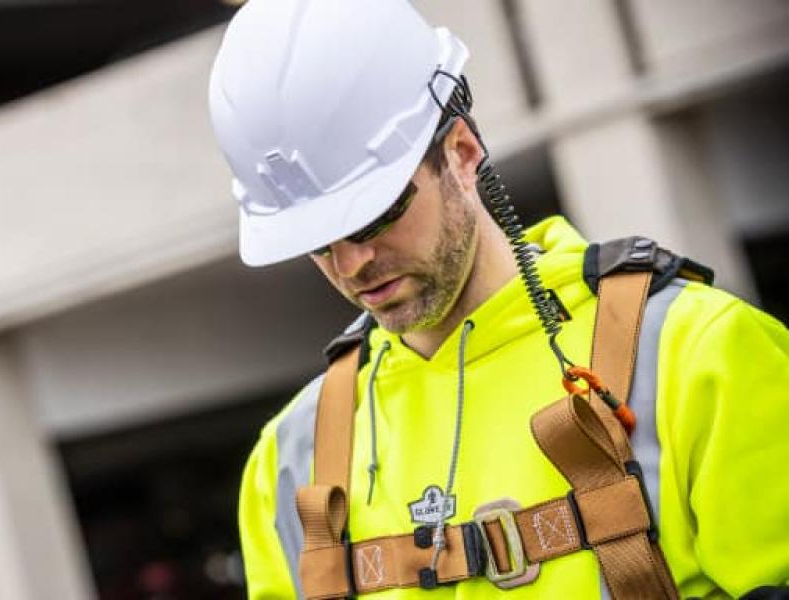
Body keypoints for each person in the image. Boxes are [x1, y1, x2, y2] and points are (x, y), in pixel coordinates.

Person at [208, 0, 789, 598]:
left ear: (460, 152)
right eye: (316, 243)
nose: (350, 265)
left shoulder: (699, 355)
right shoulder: (291, 460)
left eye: (375, 217)